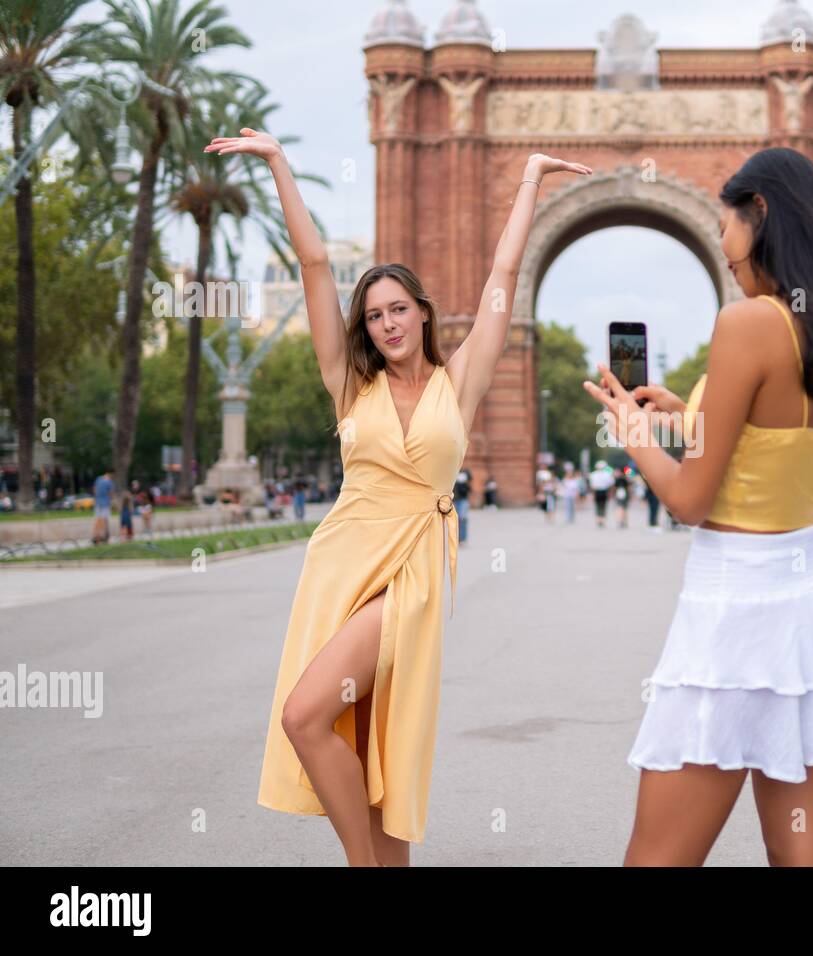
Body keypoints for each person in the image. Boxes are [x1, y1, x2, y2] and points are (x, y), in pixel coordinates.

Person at [209, 126, 591, 866]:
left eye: (397, 309)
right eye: (374, 315)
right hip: (340, 566)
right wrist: (281, 163)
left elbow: (502, 280)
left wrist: (531, 182)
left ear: (422, 311)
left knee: (305, 714)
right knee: (362, 742)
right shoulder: (352, 385)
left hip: (412, 572)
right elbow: (316, 265)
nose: (386, 324)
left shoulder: (461, 382)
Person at [584, 147, 813, 866]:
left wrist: (634, 435)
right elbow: (775, 444)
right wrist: (683, 413)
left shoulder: (748, 324)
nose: (725, 253)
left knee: (656, 858)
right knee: (804, 855)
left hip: (736, 613)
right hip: (809, 602)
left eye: (725, 230)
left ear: (760, 214)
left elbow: (691, 501)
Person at [92, 468, 115, 545]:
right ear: (111, 474)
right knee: (104, 521)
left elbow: (95, 490)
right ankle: (104, 537)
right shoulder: (109, 482)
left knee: (98, 520)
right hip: (105, 503)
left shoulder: (98, 479)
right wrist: (113, 503)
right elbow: (111, 494)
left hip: (98, 503)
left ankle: (96, 537)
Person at [588, 461, 614, 527]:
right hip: (604, 491)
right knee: (603, 506)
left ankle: (599, 519)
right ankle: (602, 520)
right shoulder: (607, 475)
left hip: (597, 491)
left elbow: (592, 486)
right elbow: (611, 485)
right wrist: (610, 493)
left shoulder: (593, 474)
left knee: (598, 506)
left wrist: (593, 494)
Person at [453, 468, 471, 542]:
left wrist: (464, 479)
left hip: (463, 500)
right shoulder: (453, 472)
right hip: (455, 500)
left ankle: (463, 538)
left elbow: (470, 480)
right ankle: (457, 538)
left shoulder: (465, 472)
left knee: (462, 519)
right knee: (456, 519)